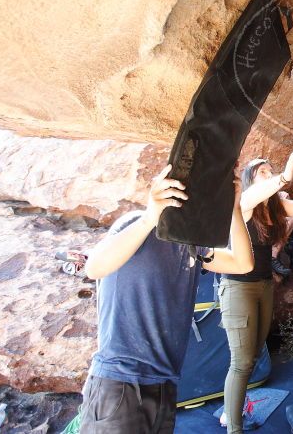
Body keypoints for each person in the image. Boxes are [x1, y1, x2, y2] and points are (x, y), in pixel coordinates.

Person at [78, 165, 254, 434]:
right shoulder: (137, 224)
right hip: (120, 382)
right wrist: (150, 216)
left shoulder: (192, 243)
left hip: (165, 383)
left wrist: (234, 208)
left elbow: (242, 263)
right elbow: (95, 268)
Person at [219, 150, 293, 433]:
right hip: (238, 288)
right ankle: (233, 426)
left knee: (255, 353)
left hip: (263, 286)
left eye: (270, 171)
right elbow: (256, 193)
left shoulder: (274, 208)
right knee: (241, 361)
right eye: (263, 171)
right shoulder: (243, 204)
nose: (268, 174)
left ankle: (234, 406)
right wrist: (283, 176)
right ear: (250, 179)